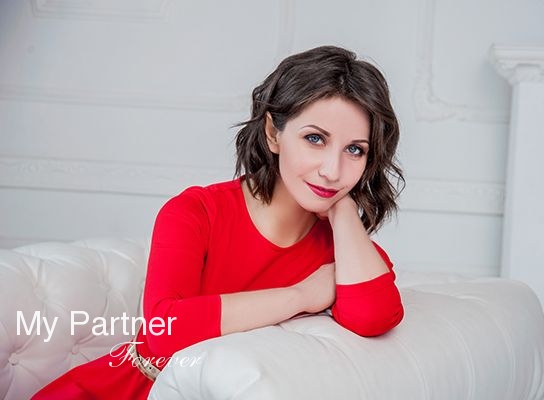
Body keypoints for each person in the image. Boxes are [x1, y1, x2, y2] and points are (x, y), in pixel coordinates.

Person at [32, 45, 405, 399]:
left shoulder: (348, 251)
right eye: (315, 139)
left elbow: (373, 317)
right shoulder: (196, 212)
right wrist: (301, 296)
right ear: (273, 133)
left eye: (354, 150)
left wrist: (343, 211)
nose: (332, 170)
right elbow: (164, 331)